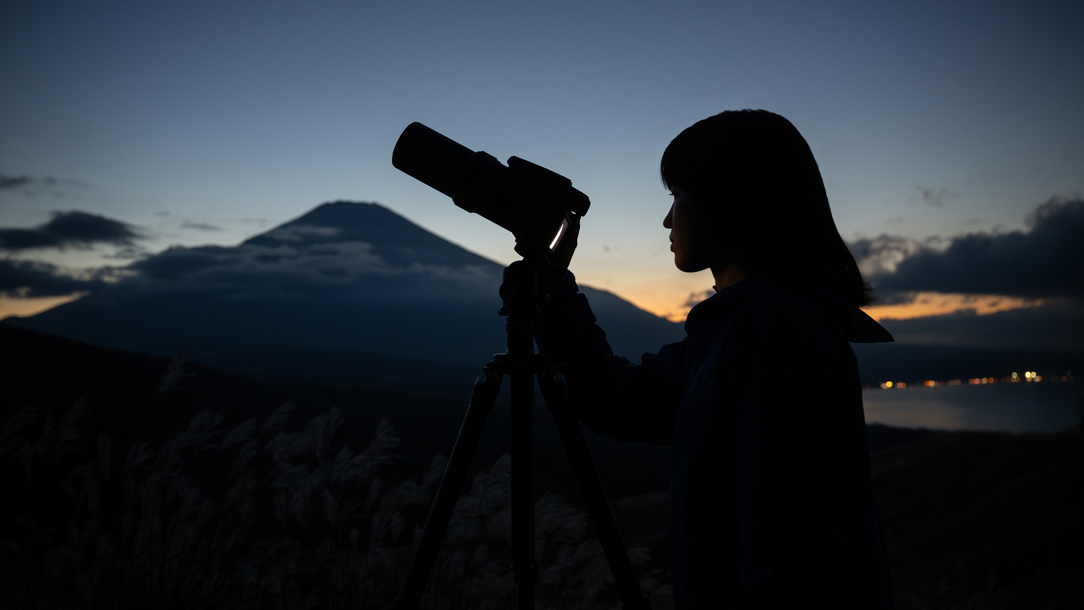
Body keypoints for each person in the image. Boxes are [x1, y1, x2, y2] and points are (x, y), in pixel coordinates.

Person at [538, 110, 895, 608]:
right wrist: (553, 288)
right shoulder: (735, 332)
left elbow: (792, 560)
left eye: (676, 198)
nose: (667, 219)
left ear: (730, 201)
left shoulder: (778, 335)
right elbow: (616, 399)